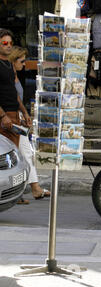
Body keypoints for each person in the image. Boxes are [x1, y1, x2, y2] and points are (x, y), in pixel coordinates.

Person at [8, 45, 50, 203]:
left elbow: (17, 99)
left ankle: (28, 189)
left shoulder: (15, 76)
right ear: (13, 61)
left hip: (17, 118)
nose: (24, 64)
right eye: (22, 61)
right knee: (23, 154)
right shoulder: (8, 76)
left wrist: (25, 114)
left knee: (23, 154)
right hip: (10, 119)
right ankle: (33, 188)